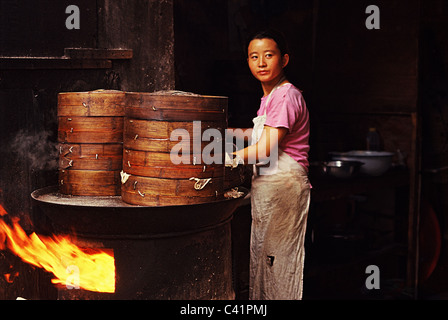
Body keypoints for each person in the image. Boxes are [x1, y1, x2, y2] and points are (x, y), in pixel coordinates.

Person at [230, 29, 311, 300]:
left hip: (283, 187)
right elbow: (262, 134)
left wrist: (228, 158)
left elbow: (265, 148)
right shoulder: (271, 98)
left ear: (284, 60)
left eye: (269, 55)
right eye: (254, 56)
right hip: (272, 189)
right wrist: (226, 132)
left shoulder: (285, 96)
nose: (261, 63)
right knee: (266, 262)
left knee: (278, 265)